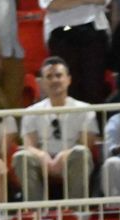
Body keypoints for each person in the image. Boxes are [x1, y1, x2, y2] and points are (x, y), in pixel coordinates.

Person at [14, 59, 99, 200]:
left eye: (59, 75)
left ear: (68, 79)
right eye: (49, 77)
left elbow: (86, 144)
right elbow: (29, 146)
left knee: (81, 153)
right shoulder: (31, 111)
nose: (54, 80)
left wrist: (64, 155)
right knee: (21, 157)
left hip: (71, 158)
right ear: (41, 83)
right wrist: (42, 156)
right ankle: (37, 211)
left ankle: (76, 211)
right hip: (43, 160)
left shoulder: (85, 109)